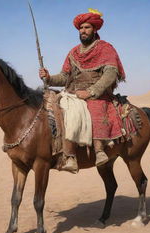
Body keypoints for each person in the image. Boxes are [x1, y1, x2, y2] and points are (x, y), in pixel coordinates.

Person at [39, 9, 126, 172]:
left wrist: (91, 92)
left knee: (95, 108)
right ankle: (69, 156)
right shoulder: (73, 53)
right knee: (61, 111)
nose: (83, 31)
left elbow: (110, 74)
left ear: (95, 29)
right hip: (72, 93)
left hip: (97, 94)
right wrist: (49, 78)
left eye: (87, 27)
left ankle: (99, 151)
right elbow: (65, 76)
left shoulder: (105, 48)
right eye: (81, 28)